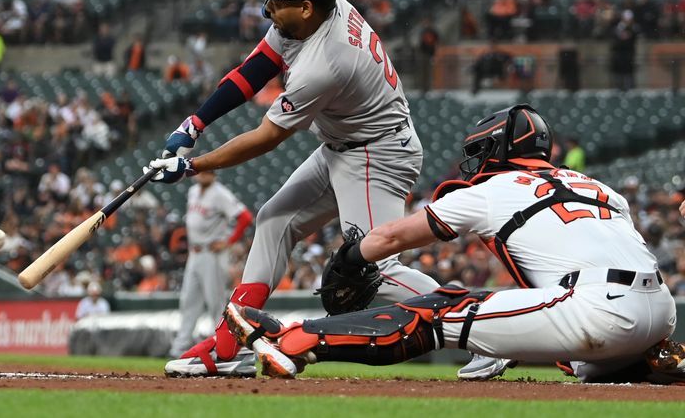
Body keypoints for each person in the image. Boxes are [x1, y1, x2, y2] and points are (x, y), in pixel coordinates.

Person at [147, 0, 504, 379]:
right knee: (274, 220)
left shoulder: (326, 61)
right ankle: (230, 344)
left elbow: (267, 137)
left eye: (276, 1)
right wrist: (195, 123)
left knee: (374, 269)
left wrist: (192, 166)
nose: (267, 8)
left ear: (305, 7)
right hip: (343, 145)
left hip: (377, 154)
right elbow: (254, 68)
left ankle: (488, 331)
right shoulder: (314, 13)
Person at [224, 105, 684, 384]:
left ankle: (293, 338)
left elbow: (390, 236)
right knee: (583, 362)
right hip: (660, 310)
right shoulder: (600, 186)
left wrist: (349, 258)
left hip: (594, 308)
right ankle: (645, 360)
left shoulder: (493, 189)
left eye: (481, 151)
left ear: (498, 150)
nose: (475, 162)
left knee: (440, 308)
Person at [168, 171, 254, 358]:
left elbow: (246, 217)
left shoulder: (220, 193)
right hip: (195, 252)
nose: (203, 174)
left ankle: (223, 347)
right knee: (188, 301)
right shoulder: (193, 191)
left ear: (214, 174)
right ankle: (179, 349)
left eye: (208, 171)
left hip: (212, 253)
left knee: (215, 304)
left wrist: (229, 241)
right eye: (201, 171)